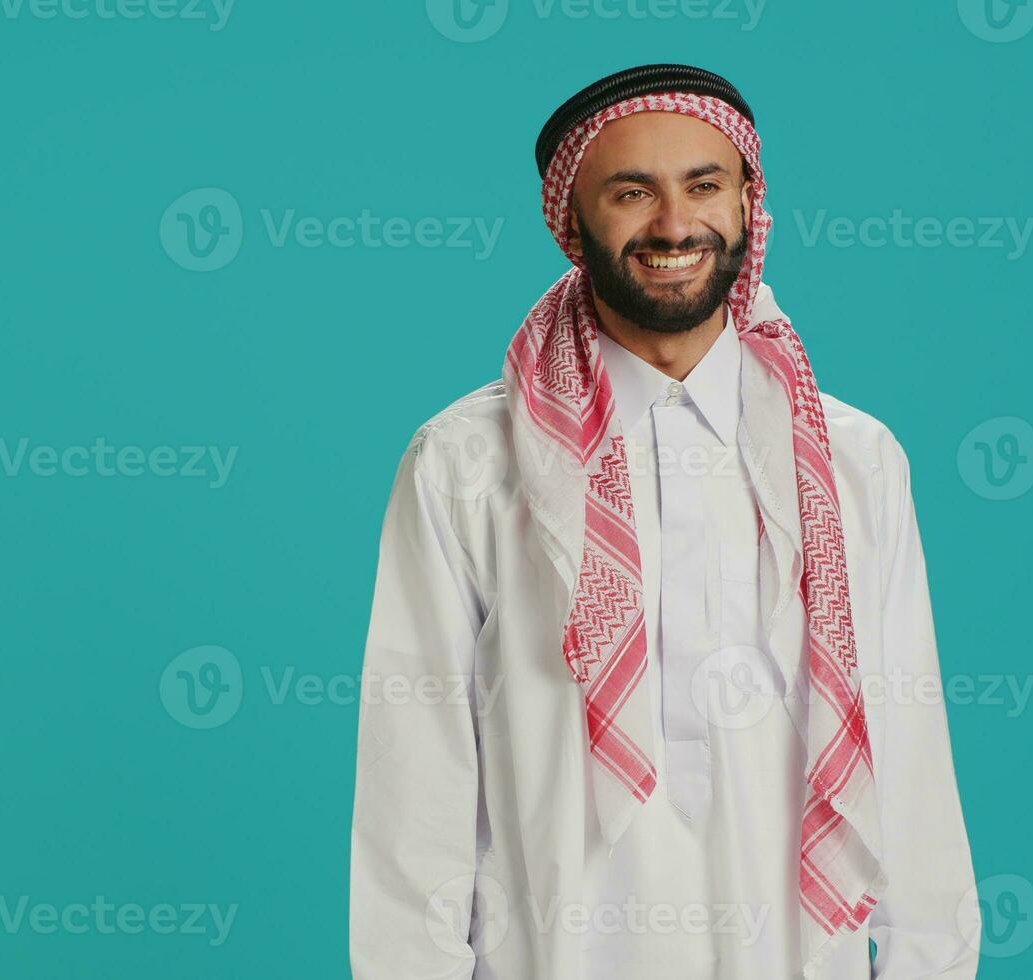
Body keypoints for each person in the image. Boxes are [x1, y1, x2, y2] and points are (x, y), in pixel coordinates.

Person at [349, 64, 979, 979]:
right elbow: (416, 785)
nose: (674, 225)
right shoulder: (468, 464)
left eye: (703, 186)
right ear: (568, 221)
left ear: (747, 204)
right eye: (631, 192)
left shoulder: (854, 462)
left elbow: (910, 756)